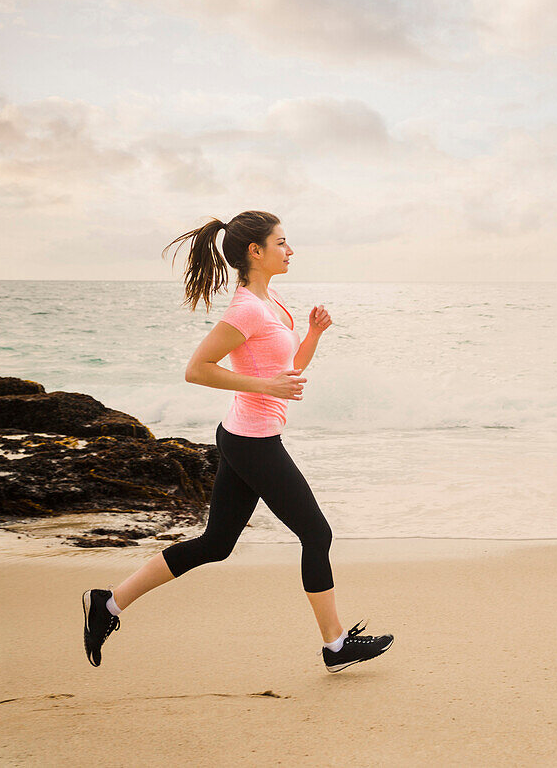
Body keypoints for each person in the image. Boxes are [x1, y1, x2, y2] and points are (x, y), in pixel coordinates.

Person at [81, 209, 393, 674]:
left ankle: (108, 604)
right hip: (253, 443)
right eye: (282, 243)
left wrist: (312, 334)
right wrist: (265, 387)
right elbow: (197, 369)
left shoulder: (273, 303)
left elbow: (289, 369)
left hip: (243, 436)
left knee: (215, 544)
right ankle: (336, 646)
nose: (290, 250)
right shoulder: (246, 308)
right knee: (317, 534)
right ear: (256, 251)